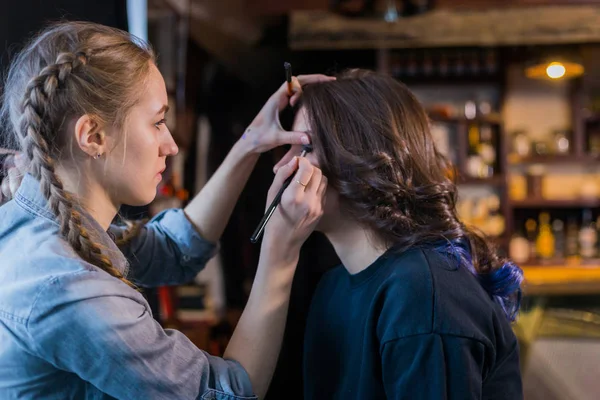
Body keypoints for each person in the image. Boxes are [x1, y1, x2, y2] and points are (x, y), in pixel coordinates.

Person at [0, 21, 330, 399]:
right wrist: (281, 250)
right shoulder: (69, 288)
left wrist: (249, 143)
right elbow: (224, 393)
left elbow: (174, 250)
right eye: (157, 122)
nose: (171, 145)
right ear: (93, 136)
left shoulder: (37, 221)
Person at [273, 69, 524, 399]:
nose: (282, 167)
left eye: (303, 148)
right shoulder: (332, 287)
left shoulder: (422, 294)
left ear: (359, 158)